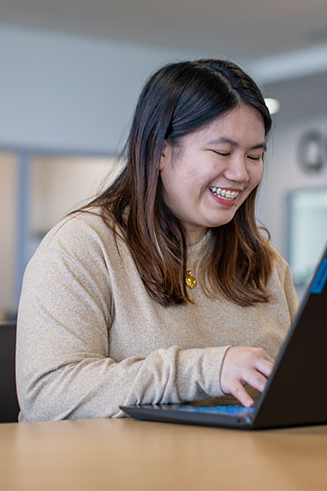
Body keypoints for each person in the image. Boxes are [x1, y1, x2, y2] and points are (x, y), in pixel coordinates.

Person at [16, 59, 299, 421]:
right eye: (222, 152)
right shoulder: (82, 246)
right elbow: (48, 396)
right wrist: (209, 370)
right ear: (161, 151)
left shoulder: (265, 262)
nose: (241, 173)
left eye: (254, 155)